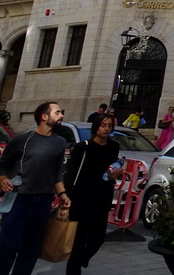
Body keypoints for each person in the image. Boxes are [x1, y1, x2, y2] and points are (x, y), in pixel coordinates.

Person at [0, 101, 73, 275]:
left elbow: (56, 172)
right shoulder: (22, 140)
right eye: (57, 112)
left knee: (31, 250)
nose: (61, 115)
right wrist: (3, 179)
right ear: (44, 116)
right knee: (8, 247)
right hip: (19, 199)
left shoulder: (60, 142)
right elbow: (2, 165)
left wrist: (62, 193)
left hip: (43, 201)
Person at [64, 114, 121, 275]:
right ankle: (73, 270)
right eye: (103, 125)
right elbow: (71, 173)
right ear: (96, 127)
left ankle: (83, 257)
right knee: (78, 240)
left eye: (109, 125)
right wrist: (66, 196)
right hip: (81, 197)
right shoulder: (84, 147)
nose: (106, 129)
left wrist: (118, 171)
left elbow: (114, 166)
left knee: (98, 238)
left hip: (102, 196)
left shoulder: (113, 146)